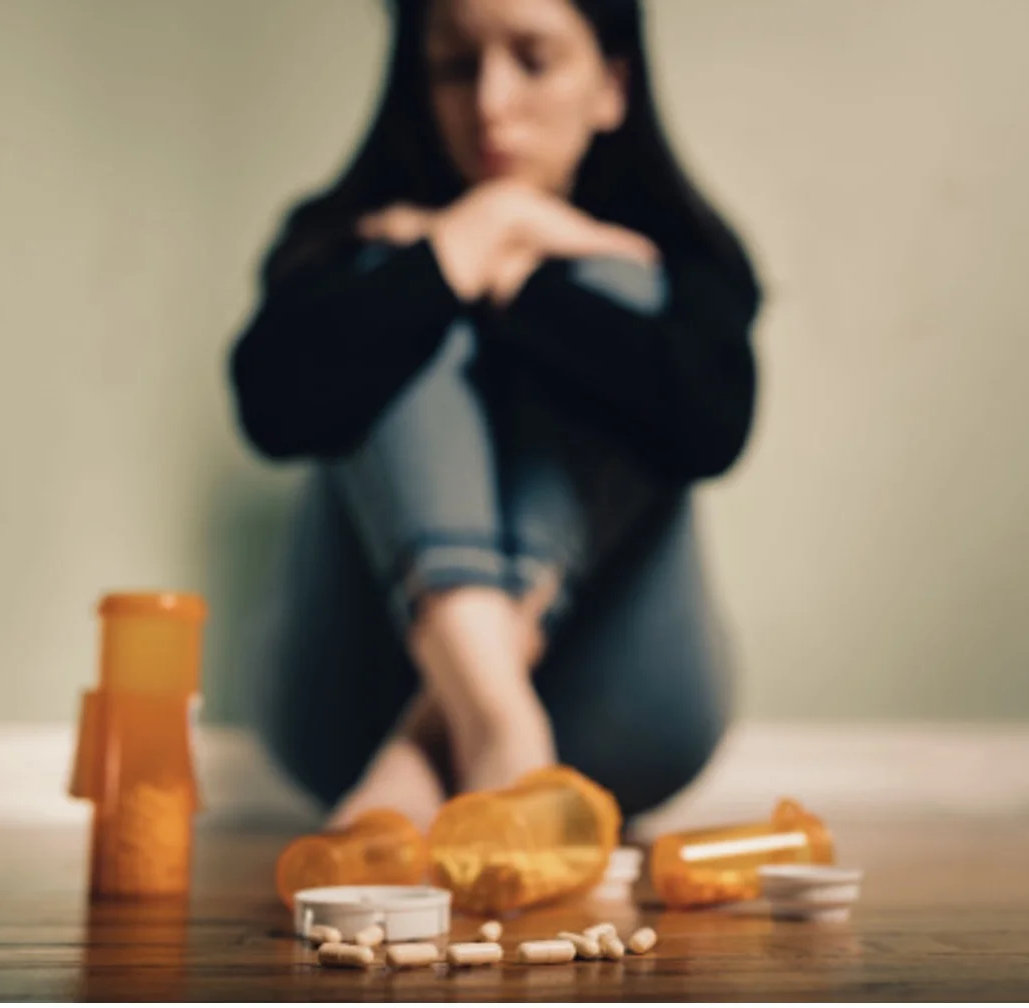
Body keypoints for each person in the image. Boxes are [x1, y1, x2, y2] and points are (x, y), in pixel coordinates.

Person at [227, 0, 763, 833]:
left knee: (626, 296)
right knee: (388, 294)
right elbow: (272, 409)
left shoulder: (679, 257)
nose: (489, 103)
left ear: (612, 86)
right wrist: (458, 247)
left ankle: (430, 749)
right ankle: (498, 725)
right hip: (345, 712)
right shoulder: (344, 234)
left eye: (535, 60)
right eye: (454, 66)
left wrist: (516, 264)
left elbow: (709, 425)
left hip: (624, 716)